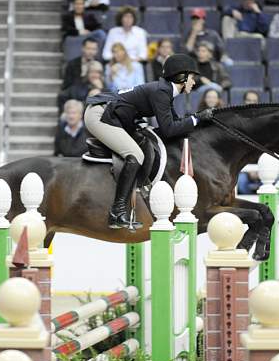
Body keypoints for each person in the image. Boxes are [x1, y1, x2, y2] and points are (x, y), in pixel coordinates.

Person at [84, 53, 213, 229]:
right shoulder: (162, 92)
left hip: (116, 115)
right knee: (135, 154)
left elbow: (172, 128)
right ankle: (117, 211)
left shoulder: (165, 91)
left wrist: (196, 122)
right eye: (192, 78)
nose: (194, 82)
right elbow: (169, 129)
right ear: (181, 77)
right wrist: (196, 119)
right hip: (100, 115)